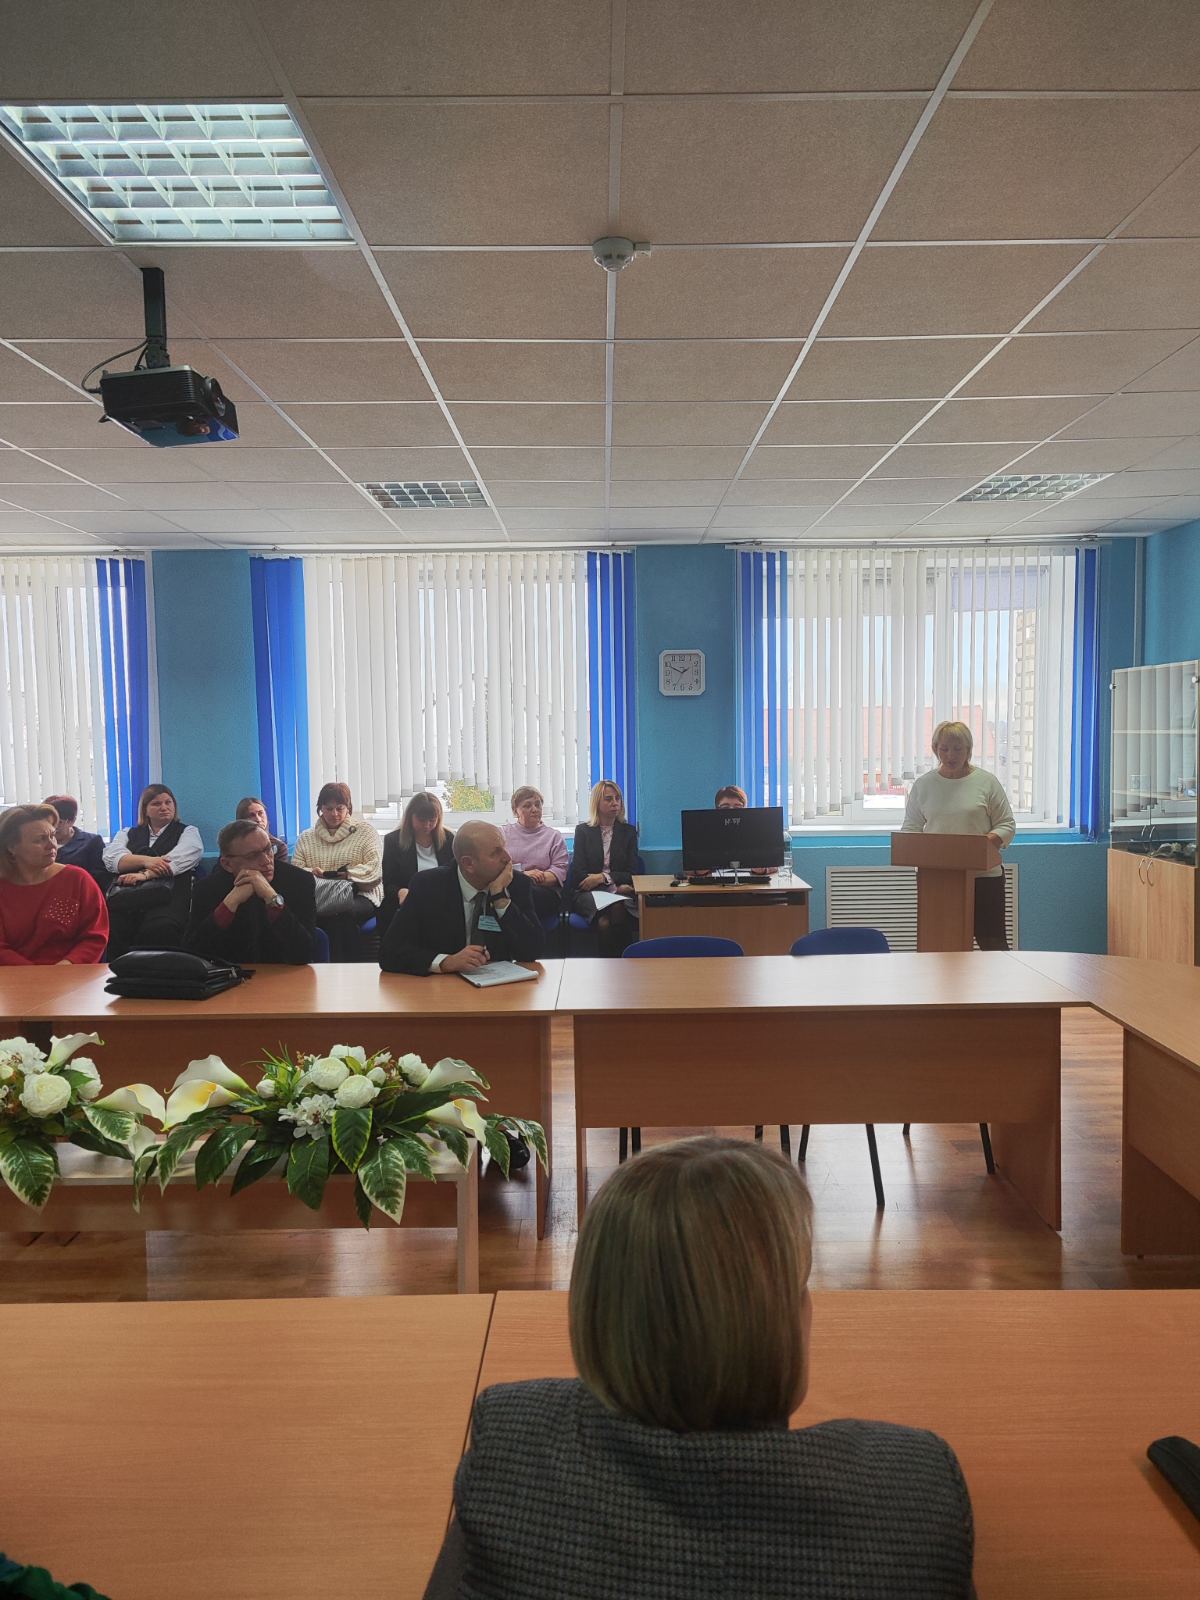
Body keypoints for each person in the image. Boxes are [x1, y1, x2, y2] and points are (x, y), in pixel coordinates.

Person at [424, 1136, 975, 1599]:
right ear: (776, 1324)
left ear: (595, 1310)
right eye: (799, 1285)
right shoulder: (912, 1493)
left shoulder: (510, 1451)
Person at [901, 720, 1016, 952]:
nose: (950, 755)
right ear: (935, 749)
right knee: (941, 947)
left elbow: (1006, 825)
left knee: (993, 945)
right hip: (938, 880)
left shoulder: (986, 782)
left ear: (968, 750)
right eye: (944, 749)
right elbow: (910, 830)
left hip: (984, 878)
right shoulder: (924, 785)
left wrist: (981, 846)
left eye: (957, 748)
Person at [379, 819, 544, 978]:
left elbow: (533, 950)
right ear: (468, 864)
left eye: (504, 847)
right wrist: (445, 962)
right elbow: (390, 952)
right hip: (443, 987)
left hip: (499, 987)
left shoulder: (516, 884)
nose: (507, 858)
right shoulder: (428, 886)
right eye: (496, 853)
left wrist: (500, 899)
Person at [185, 818, 317, 965]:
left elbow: (304, 953)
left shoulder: (299, 881)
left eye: (268, 849)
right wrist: (229, 904)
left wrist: (271, 896)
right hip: (230, 975)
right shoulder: (206, 889)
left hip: (285, 975)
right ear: (227, 864)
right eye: (253, 856)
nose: (266, 860)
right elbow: (193, 954)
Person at [0, 803, 109, 965]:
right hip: (14, 975)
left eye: (52, 835)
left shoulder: (77, 879)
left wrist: (67, 966)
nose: (52, 845)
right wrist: (35, 975)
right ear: (11, 847)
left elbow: (95, 935)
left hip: (72, 973)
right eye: (40, 840)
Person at [102, 783, 203, 957]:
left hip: (169, 898)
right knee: (114, 925)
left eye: (168, 802)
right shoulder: (127, 833)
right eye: (156, 803)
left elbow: (181, 858)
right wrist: (148, 860)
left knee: (161, 928)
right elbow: (113, 859)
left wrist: (144, 874)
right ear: (145, 810)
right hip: (128, 896)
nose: (164, 807)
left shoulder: (188, 832)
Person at [291, 782, 383, 961]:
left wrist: (348, 875)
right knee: (316, 915)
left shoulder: (365, 832)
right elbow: (296, 871)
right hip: (320, 896)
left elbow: (374, 868)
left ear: (348, 808)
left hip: (361, 894)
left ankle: (346, 969)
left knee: (340, 915)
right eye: (329, 808)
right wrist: (312, 872)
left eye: (340, 808)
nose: (334, 814)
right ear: (320, 809)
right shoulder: (307, 837)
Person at [566, 780, 639, 957]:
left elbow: (633, 872)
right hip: (588, 894)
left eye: (617, 798)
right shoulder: (583, 831)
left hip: (619, 892)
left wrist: (603, 878)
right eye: (608, 799)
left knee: (605, 922)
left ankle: (612, 963)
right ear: (596, 803)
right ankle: (625, 962)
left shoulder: (628, 832)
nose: (615, 803)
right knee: (616, 908)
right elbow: (578, 874)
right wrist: (612, 885)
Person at [380, 791, 455, 936]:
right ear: (410, 817)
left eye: (432, 820)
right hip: (408, 904)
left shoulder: (449, 839)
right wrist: (400, 891)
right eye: (421, 820)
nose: (427, 825)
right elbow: (389, 883)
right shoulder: (393, 841)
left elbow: (454, 876)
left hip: (441, 904)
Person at [501, 785, 568, 921]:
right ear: (515, 811)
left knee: (523, 894)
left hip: (544, 893)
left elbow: (559, 872)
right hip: (511, 889)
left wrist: (525, 880)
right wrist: (524, 875)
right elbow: (497, 867)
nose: (534, 809)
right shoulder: (502, 834)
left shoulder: (554, 836)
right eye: (527, 806)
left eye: (538, 805)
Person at [686, 785, 773, 879]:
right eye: (725, 807)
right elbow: (687, 868)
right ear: (716, 809)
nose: (731, 812)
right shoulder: (704, 832)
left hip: (749, 884)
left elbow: (776, 863)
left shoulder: (756, 832)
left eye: (738, 807)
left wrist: (764, 869)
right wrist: (698, 871)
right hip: (714, 885)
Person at [42, 794, 108, 886]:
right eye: (46, 821)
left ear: (71, 821)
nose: (51, 827)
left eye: (58, 822)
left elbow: (100, 880)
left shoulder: (92, 842)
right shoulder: (36, 842)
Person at [234, 796, 289, 864]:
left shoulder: (279, 847)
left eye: (260, 813)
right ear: (242, 820)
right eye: (252, 815)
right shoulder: (233, 845)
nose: (258, 819)